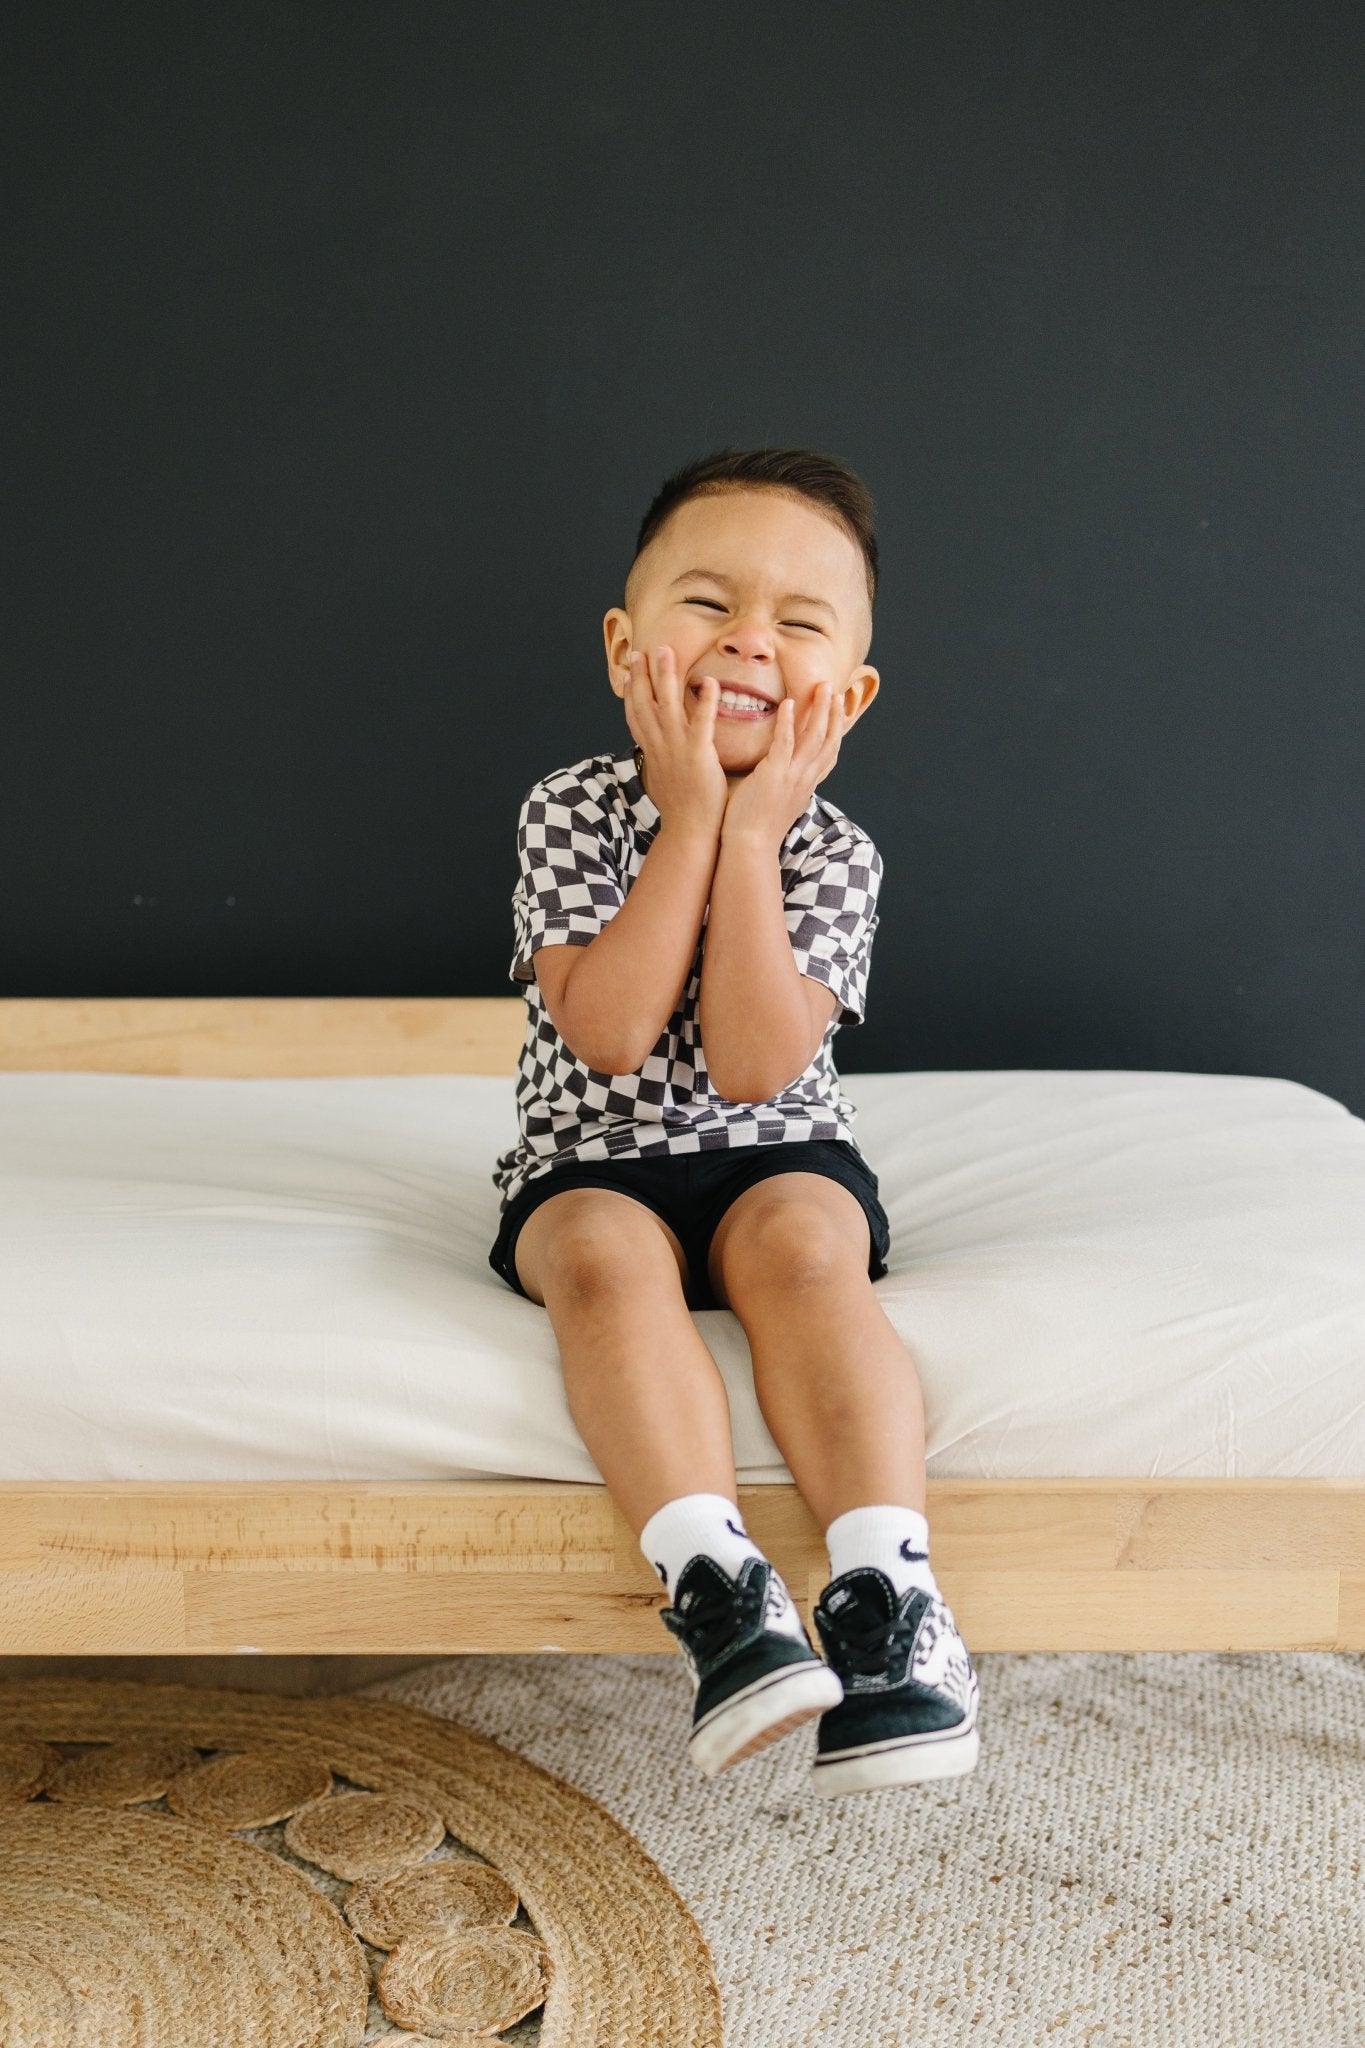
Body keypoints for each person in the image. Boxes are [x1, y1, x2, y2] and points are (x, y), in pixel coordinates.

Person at [489, 445, 979, 1796]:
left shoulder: (830, 848)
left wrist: (751, 838)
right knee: (597, 1252)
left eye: (798, 622)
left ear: (849, 694)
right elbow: (610, 1032)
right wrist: (690, 817)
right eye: (707, 604)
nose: (747, 642)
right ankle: (718, 1585)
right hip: (588, 1161)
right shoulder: (572, 811)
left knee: (805, 1247)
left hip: (776, 1153)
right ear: (624, 645)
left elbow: (761, 1068)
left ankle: (890, 1604)